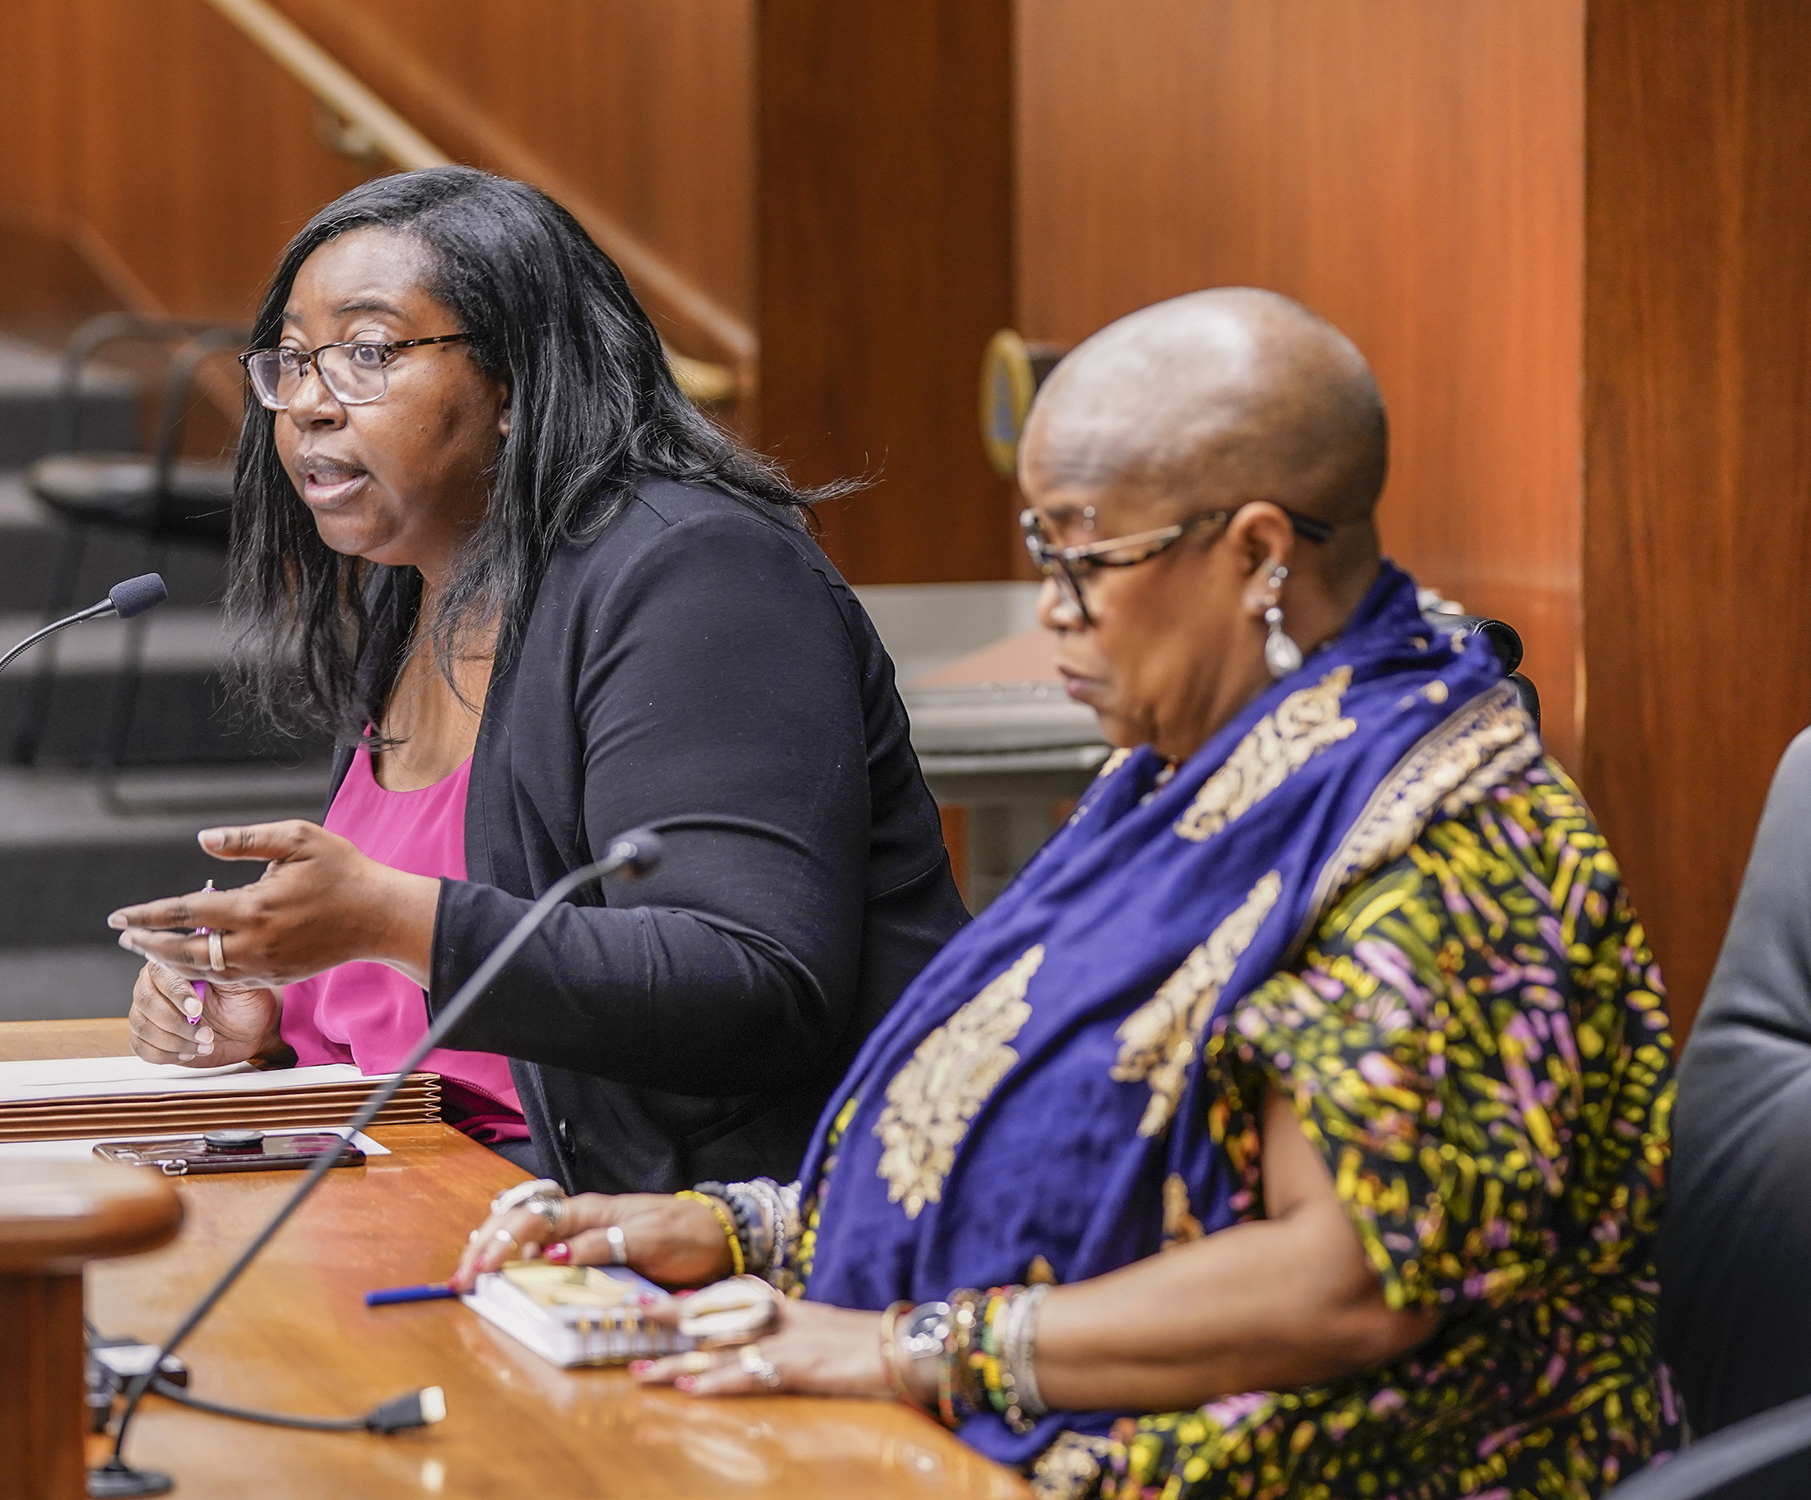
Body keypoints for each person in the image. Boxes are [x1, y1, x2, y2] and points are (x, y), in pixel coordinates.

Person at [456, 289, 1678, 1498]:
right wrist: (747, 1232)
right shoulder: (1181, 777)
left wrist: (910, 1349)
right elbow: (1045, 1141)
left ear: (1256, 553)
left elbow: (1344, 1288)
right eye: (1042, 553)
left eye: (1084, 557)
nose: (1051, 608)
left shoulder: (1439, 837)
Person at [104, 167, 967, 1190]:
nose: (306, 406)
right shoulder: (418, 588)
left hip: (686, 1248)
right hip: (417, 1188)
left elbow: (751, 984)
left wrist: (384, 919)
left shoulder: (699, 576)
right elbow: (441, 984)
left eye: (368, 354)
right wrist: (275, 1008)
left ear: (513, 379)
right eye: (289, 362)